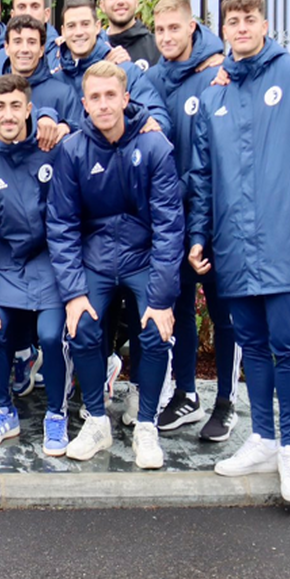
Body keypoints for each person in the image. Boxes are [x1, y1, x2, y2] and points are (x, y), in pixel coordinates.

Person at [188, 0, 290, 503]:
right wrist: (196, 236)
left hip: (286, 241)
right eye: (231, 20)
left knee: (287, 345)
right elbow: (201, 176)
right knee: (250, 346)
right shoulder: (214, 95)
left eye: (248, 19)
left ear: (263, 23)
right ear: (223, 28)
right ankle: (261, 437)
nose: (240, 28)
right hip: (233, 245)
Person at [48, 61, 183, 468]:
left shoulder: (155, 146)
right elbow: (61, 224)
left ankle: (146, 425)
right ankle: (96, 420)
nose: (104, 105)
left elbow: (169, 226)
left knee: (156, 330)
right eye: (95, 97)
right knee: (84, 325)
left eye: (111, 96)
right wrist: (73, 293)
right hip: (97, 258)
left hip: (142, 257)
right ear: (84, 103)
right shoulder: (72, 151)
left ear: (126, 99)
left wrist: (161, 300)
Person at [0, 74, 74, 455]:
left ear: (29, 108)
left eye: (15, 106)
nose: (8, 115)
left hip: (52, 265)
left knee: (54, 335)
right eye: (0, 107)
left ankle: (56, 414)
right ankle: (4, 411)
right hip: (6, 266)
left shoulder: (54, 149)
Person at [145, 0, 240, 442]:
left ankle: (226, 401)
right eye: (159, 30)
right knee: (180, 308)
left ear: (192, 28)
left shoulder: (219, 73)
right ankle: (186, 395)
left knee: (223, 312)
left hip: (215, 217)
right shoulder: (157, 78)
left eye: (173, 29)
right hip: (171, 219)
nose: (166, 37)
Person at [50, 0, 169, 131]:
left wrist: (149, 126)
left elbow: (158, 119)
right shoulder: (56, 81)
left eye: (85, 24)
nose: (78, 32)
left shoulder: (125, 70)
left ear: (97, 27)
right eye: (71, 26)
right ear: (63, 31)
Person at [0, 0, 60, 75]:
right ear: (12, 15)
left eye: (35, 7)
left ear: (47, 14)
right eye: (21, 7)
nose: (28, 12)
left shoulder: (61, 54)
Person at [100, 0, 161, 68]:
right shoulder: (95, 50)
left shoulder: (158, 47)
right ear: (102, 6)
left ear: (136, 2)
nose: (120, 1)